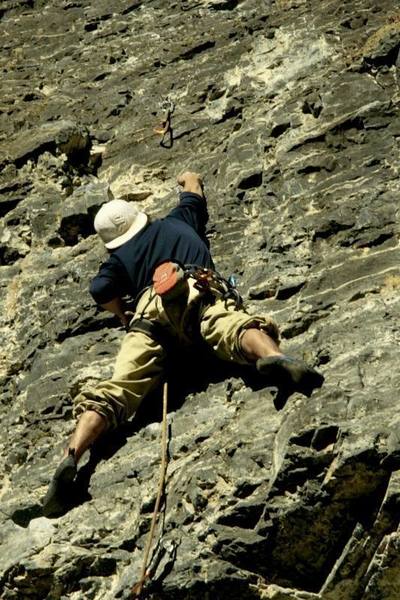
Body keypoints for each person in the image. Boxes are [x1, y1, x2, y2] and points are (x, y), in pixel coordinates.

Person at [42, 171, 324, 517]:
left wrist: (122, 315)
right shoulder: (179, 220)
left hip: (150, 312)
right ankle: (273, 356)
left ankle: (73, 453)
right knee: (231, 326)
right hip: (193, 287)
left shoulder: (118, 260)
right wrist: (189, 177)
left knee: (118, 389)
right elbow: (194, 192)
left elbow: (99, 290)